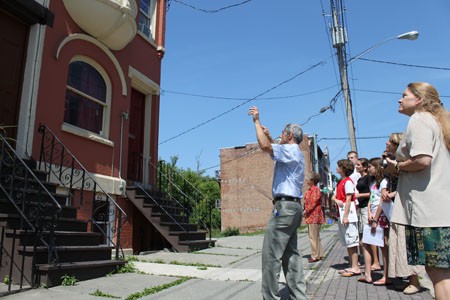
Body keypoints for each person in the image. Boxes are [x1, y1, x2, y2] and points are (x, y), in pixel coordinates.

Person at [386, 82, 450, 300]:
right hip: (440, 209)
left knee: (439, 274)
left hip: (428, 212)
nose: (399, 99)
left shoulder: (419, 119)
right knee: (441, 272)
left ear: (419, 100)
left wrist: (397, 166)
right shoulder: (438, 123)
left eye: (404, 95)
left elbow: (422, 159)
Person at [248, 106, 307, 300]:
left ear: (289, 135)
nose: (281, 136)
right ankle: (299, 296)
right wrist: (271, 136)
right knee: (291, 256)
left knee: (271, 256)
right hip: (294, 207)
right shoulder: (293, 152)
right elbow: (273, 148)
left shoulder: (290, 150)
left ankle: (270, 297)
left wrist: (256, 121)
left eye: (283, 133)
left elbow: (265, 147)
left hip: (284, 208)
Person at [384, 133, 422, 295]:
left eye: (389, 141)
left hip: (408, 203)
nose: (386, 143)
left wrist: (396, 165)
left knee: (407, 240)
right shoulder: (392, 161)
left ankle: (415, 279)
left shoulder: (406, 161)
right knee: (397, 241)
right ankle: (402, 276)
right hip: (398, 204)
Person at [334, 159, 361, 277]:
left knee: (352, 241)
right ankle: (351, 265)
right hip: (342, 214)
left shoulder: (348, 182)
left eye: (339, 166)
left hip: (349, 215)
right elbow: (334, 197)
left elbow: (349, 199)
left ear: (343, 169)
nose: (337, 168)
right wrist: (336, 200)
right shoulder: (340, 182)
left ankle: (355, 267)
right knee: (347, 241)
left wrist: (345, 216)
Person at [303, 172, 325, 263]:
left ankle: (314, 255)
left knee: (313, 236)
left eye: (308, 179)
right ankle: (319, 254)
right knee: (315, 236)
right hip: (312, 216)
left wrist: (305, 211)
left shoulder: (315, 190)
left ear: (312, 180)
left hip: (314, 216)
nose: (306, 180)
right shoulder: (311, 190)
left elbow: (312, 202)